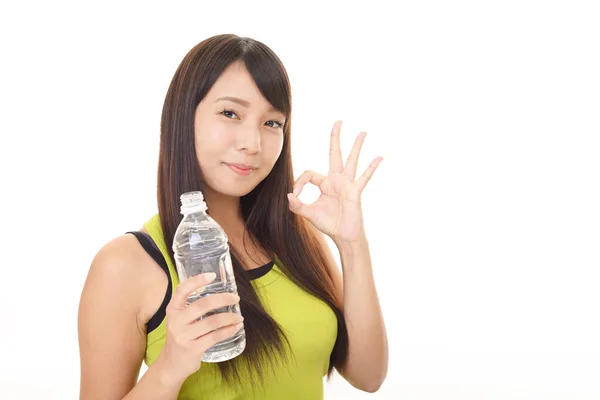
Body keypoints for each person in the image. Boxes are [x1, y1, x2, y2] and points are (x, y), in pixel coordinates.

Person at [77, 33, 388, 400]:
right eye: (230, 113)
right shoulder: (126, 264)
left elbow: (368, 376)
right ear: (183, 117)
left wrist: (352, 244)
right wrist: (168, 370)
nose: (253, 143)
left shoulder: (299, 241)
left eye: (272, 123)